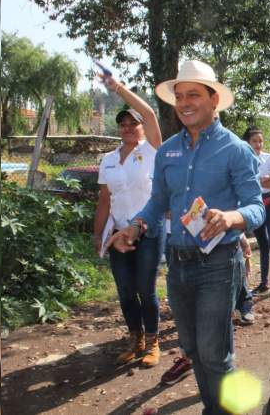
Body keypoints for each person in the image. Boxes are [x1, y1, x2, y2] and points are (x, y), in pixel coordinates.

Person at [106, 60, 264, 415]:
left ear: (214, 100)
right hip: (178, 264)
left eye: (194, 94)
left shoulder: (235, 149)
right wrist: (134, 226)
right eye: (179, 96)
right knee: (192, 349)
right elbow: (157, 202)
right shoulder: (168, 151)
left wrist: (231, 217)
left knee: (213, 353)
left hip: (219, 264)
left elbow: (257, 207)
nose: (185, 102)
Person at [93, 73, 163, 367]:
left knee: (145, 289)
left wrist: (118, 88)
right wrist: (98, 235)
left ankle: (153, 341)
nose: (128, 128)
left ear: (142, 128)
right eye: (123, 124)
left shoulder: (151, 152)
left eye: (132, 123)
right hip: (118, 234)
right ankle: (134, 339)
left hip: (148, 231)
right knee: (124, 290)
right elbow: (104, 200)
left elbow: (148, 113)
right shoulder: (108, 159)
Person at [242, 127, 270, 292]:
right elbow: (245, 185)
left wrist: (261, 182)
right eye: (254, 141)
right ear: (247, 142)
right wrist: (266, 180)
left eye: (260, 141)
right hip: (255, 204)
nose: (258, 144)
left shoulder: (269, 158)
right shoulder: (244, 161)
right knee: (263, 244)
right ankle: (264, 282)